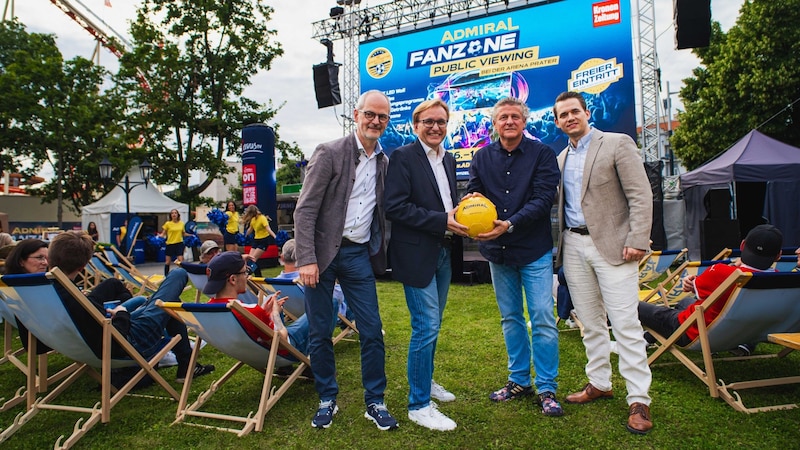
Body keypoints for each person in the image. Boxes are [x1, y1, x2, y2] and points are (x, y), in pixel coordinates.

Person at [293, 89, 397, 431]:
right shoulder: (329, 152)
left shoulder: (384, 161)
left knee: (371, 329)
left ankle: (375, 401)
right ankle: (327, 398)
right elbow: (304, 210)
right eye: (370, 114)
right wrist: (306, 259)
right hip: (321, 256)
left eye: (382, 116)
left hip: (357, 254)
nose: (375, 121)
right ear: (356, 114)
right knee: (320, 330)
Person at [553, 91, 653, 434]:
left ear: (586, 112)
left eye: (574, 111)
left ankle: (639, 399)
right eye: (562, 115)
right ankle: (599, 383)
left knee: (625, 324)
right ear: (557, 121)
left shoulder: (616, 143)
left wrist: (638, 238)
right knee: (590, 322)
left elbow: (641, 193)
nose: (569, 118)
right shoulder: (561, 157)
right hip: (574, 246)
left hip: (615, 247)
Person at [465, 97, 563, 417]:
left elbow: (544, 198)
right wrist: (471, 205)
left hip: (533, 249)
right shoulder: (481, 157)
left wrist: (509, 224)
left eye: (515, 116)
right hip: (497, 252)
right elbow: (474, 192)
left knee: (542, 318)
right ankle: (519, 380)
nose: (509, 121)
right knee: (510, 319)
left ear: (524, 121)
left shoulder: (543, 155)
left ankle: (547, 388)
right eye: (503, 117)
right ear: (495, 123)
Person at [384, 98, 467, 431]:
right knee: (426, 325)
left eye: (441, 122)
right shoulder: (403, 157)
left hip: (445, 251)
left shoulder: (448, 159)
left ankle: (425, 379)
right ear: (415, 125)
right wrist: (442, 220)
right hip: (416, 254)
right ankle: (418, 404)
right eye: (429, 122)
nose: (435, 127)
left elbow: (445, 203)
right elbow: (395, 207)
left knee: (434, 323)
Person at [46, 231, 214, 383]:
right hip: (129, 342)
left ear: (49, 259)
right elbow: (114, 336)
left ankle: (186, 365)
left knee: (158, 300)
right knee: (178, 274)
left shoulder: (49, 292)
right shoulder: (72, 296)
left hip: (97, 344)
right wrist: (121, 314)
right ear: (82, 267)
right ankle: (186, 365)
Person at [638, 224, 783, 348]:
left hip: (693, 332)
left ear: (743, 245)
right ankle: (648, 338)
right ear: (778, 255)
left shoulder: (723, 272)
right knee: (684, 302)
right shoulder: (782, 280)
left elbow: (691, 287)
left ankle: (633, 342)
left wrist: (691, 281)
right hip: (742, 333)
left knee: (632, 305)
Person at [204, 251, 309, 357]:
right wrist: (275, 314)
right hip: (282, 352)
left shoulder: (208, 309)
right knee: (317, 312)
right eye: (245, 272)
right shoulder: (250, 311)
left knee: (270, 300)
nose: (246, 276)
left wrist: (264, 313)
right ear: (233, 279)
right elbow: (283, 343)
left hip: (251, 353)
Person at [5, 239, 52, 354]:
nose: (45, 263)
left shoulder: (11, 284)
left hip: (37, 336)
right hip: (51, 337)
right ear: (21, 261)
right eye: (40, 257)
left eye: (47, 258)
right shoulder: (34, 289)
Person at [242, 205, 276, 274]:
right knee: (250, 258)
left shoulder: (262, 218)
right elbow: (250, 229)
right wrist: (244, 236)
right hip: (256, 240)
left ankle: (249, 272)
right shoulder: (253, 219)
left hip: (264, 240)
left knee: (253, 259)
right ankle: (258, 275)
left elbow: (268, 229)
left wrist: (275, 237)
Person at [160, 209, 187, 276]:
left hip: (179, 243)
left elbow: (183, 233)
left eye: (175, 213)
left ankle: (183, 275)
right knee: (168, 262)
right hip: (170, 244)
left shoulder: (181, 223)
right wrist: (158, 237)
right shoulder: (168, 224)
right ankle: (166, 276)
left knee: (180, 260)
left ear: (178, 215)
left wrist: (192, 235)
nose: (174, 214)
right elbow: (163, 234)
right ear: (170, 215)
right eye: (172, 213)